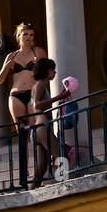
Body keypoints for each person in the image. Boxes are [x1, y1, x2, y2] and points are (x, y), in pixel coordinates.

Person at [28, 57, 72, 188]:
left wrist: (59, 98)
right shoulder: (41, 84)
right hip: (42, 126)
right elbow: (37, 105)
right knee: (61, 156)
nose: (55, 72)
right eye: (53, 70)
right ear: (46, 71)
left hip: (36, 129)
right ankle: (63, 186)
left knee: (42, 166)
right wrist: (59, 97)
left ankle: (31, 190)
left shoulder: (37, 86)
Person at [0, 22, 48, 128]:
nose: (29, 37)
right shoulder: (12, 56)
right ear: (19, 35)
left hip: (33, 93)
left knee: (34, 129)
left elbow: (49, 74)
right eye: (26, 34)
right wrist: (7, 66)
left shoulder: (38, 52)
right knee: (21, 131)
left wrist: (39, 65)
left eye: (31, 35)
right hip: (16, 95)